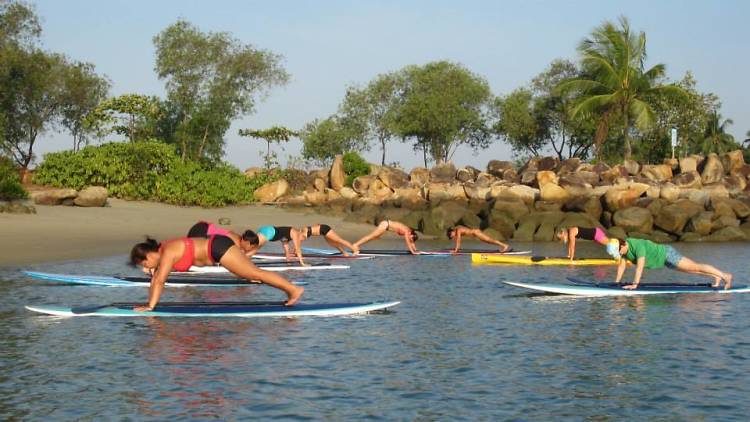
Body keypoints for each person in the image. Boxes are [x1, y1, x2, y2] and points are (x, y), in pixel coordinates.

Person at [129, 235, 304, 311]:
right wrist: (148, 303)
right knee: (253, 274)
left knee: (254, 274)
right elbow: (155, 280)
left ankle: (293, 290)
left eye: (143, 261)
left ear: (150, 253)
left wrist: (151, 307)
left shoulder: (167, 252)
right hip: (217, 247)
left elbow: (159, 281)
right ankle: (291, 290)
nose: (145, 265)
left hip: (217, 248)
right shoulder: (164, 250)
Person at [607, 238, 733, 290]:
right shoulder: (623, 249)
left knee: (694, 267)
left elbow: (640, 267)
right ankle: (716, 276)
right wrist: (616, 282)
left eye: (618, 251)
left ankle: (725, 276)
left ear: (623, 245)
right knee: (693, 270)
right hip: (664, 260)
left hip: (667, 254)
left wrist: (635, 284)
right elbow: (621, 266)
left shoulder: (637, 246)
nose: (619, 254)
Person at [352, 220, 420, 255]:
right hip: (385, 224)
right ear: (411, 234)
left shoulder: (409, 232)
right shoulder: (406, 231)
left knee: (374, 237)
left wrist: (416, 250)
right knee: (371, 236)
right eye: (411, 238)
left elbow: (411, 242)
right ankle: (355, 245)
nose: (410, 239)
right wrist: (412, 251)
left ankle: (357, 245)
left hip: (386, 226)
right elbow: (408, 242)